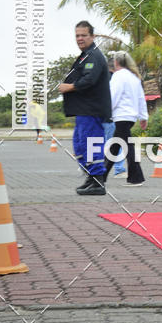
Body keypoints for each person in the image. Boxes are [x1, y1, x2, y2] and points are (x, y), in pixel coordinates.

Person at [58, 21, 111, 196]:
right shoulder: (85, 56)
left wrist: (70, 86)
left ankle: (98, 182)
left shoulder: (94, 56)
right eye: (77, 35)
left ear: (92, 36)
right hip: (83, 111)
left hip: (92, 110)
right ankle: (91, 178)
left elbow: (89, 79)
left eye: (83, 35)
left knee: (91, 144)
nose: (80, 38)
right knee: (80, 147)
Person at [106, 51, 148, 185]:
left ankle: (137, 178)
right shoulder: (134, 77)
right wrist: (143, 117)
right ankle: (101, 176)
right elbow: (141, 98)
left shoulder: (118, 76)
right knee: (115, 146)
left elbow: (114, 95)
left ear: (116, 62)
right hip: (130, 117)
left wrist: (107, 111)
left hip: (121, 116)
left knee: (127, 146)